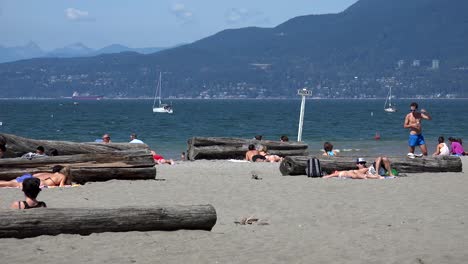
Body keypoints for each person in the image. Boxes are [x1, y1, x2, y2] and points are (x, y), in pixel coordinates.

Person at [0, 165, 71, 188]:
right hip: (39, 182)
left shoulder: (53, 174)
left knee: (9, 183)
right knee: (14, 184)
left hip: (31, 176)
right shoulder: (62, 176)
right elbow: (61, 187)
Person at [323, 157, 395, 179]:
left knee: (384, 158)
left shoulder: (367, 168)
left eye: (363, 163)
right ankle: (377, 175)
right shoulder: (357, 171)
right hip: (374, 173)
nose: (362, 164)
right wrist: (329, 176)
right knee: (353, 173)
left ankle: (390, 173)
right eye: (360, 163)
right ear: (357, 164)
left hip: (376, 171)